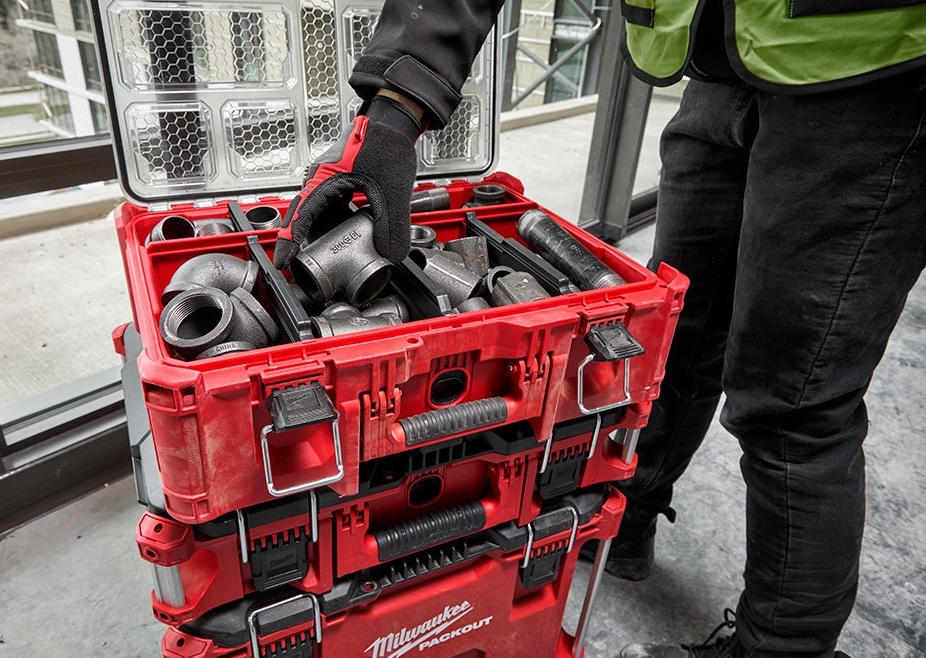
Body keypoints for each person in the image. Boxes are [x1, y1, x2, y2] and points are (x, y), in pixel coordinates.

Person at [273, 1, 926, 656]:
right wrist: (390, 116)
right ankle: (625, 520)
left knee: (792, 401)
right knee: (677, 341)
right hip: (720, 60)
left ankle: (781, 651)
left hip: (872, 71)